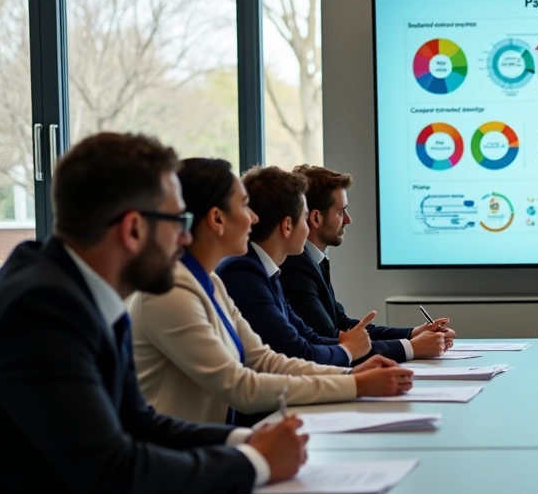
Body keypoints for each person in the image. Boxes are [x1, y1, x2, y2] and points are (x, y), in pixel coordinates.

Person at [0, 133, 306, 494]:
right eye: (178, 221)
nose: (184, 239)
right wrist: (254, 463)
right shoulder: (41, 308)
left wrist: (246, 439)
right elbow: (114, 476)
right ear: (134, 228)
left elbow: (138, 422)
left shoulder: (86, 290)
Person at [131, 159, 414, 426]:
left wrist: (350, 374)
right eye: (244, 206)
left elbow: (265, 360)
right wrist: (353, 383)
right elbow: (241, 386)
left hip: (211, 445)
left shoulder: (211, 283)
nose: (254, 218)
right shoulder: (171, 291)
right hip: (187, 456)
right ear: (217, 219)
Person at [281, 164, 453, 361]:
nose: (348, 220)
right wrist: (412, 347)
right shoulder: (295, 265)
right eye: (341, 212)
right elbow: (330, 339)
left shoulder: (314, 259)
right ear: (316, 218)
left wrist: (413, 334)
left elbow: (341, 324)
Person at [216, 166, 374, 368]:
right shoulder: (244, 273)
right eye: (304, 216)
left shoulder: (268, 271)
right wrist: (350, 351)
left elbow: (307, 338)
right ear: (287, 226)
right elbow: (297, 351)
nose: (308, 227)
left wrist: (351, 347)